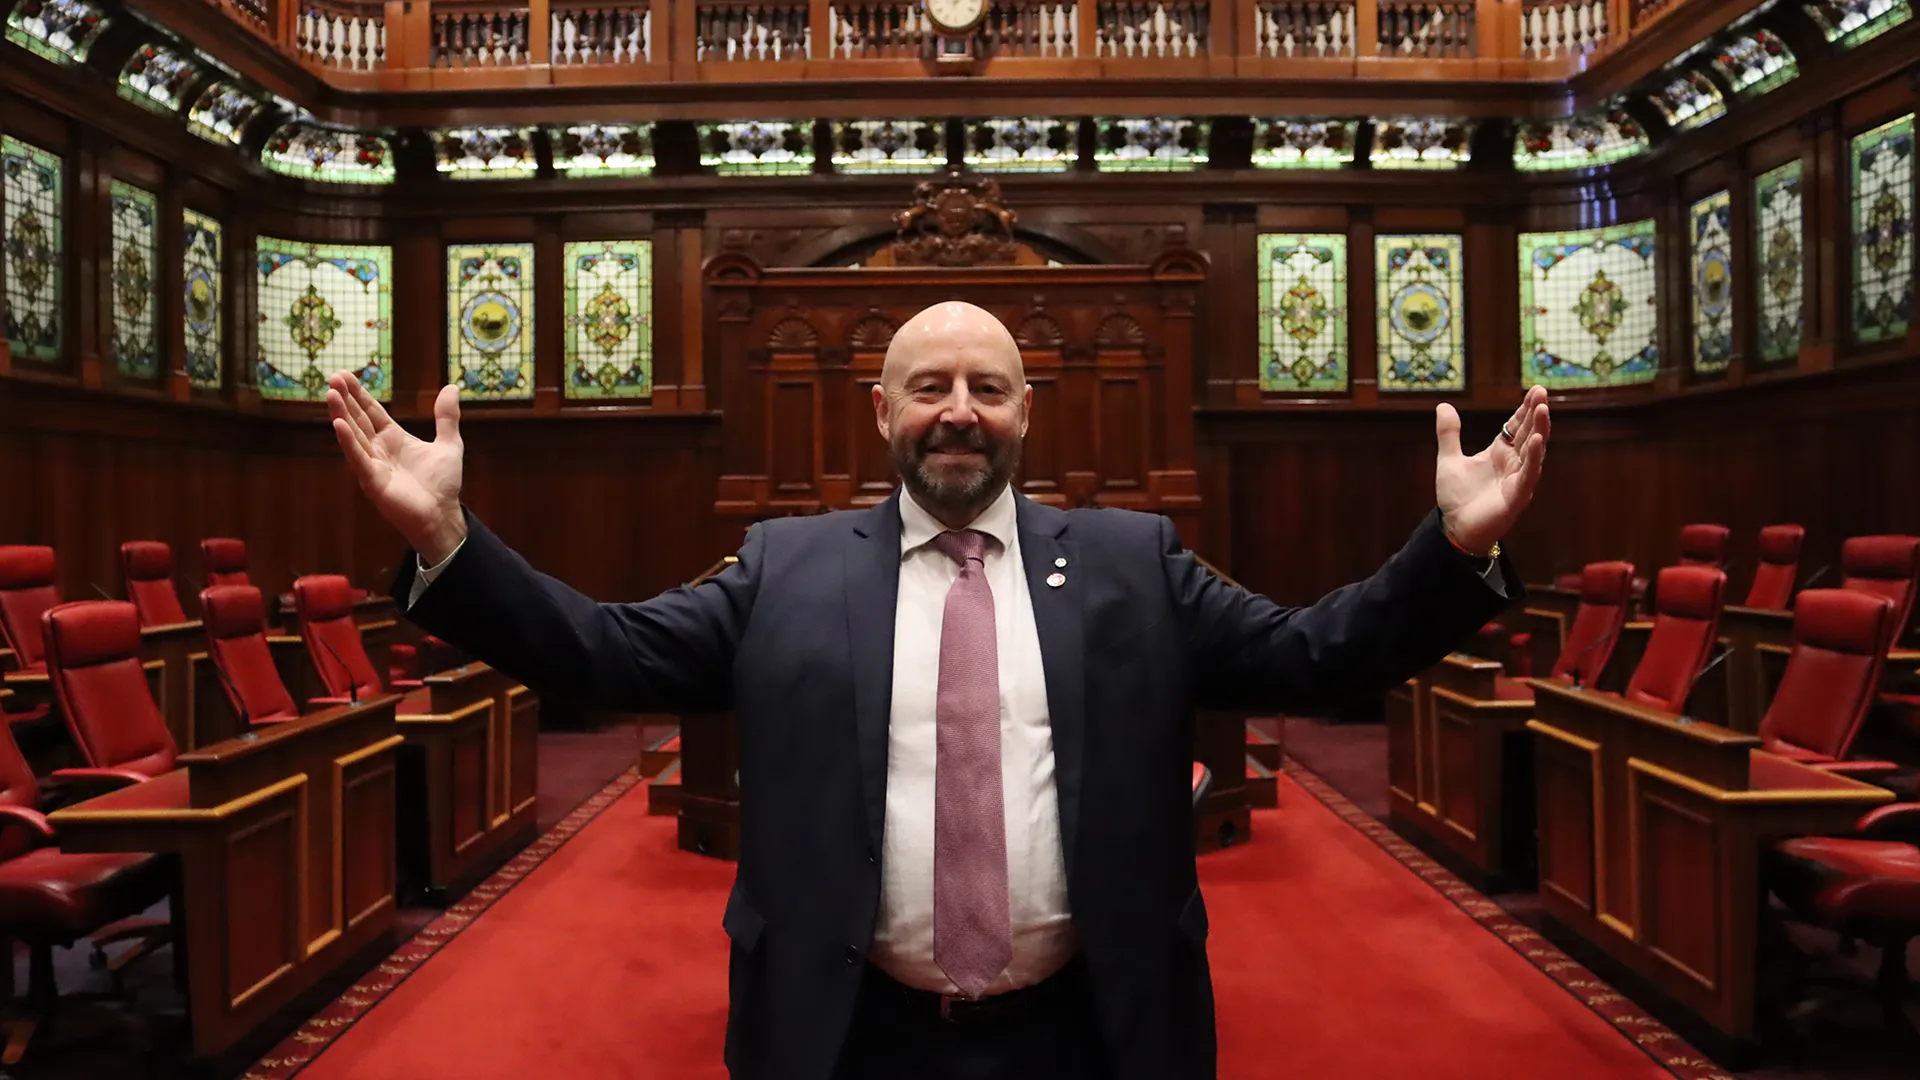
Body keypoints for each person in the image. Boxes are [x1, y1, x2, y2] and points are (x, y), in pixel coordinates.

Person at [324, 300, 1549, 1080]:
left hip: (1094, 1029)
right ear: (880, 413)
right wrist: (448, 542)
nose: (957, 410)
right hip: (851, 1034)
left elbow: (1315, 658)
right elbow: (601, 654)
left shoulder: (1135, 562)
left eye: (988, 387)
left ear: (1027, 413)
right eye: (928, 386)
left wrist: (1451, 555)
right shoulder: (784, 567)